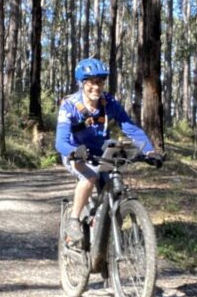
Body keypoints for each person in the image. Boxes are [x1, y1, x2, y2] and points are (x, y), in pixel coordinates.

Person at [55, 58, 162, 243]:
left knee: (112, 183)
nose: (96, 87)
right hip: (75, 152)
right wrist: (74, 152)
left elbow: (130, 128)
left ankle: (103, 232)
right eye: (92, 83)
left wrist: (150, 152)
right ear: (82, 83)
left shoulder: (110, 103)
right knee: (90, 176)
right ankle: (73, 220)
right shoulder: (70, 106)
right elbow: (61, 141)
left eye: (100, 82)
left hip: (101, 152)